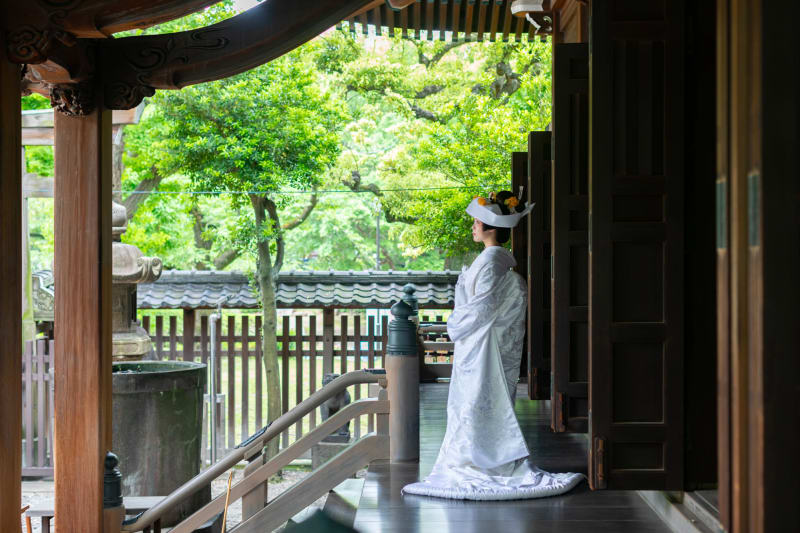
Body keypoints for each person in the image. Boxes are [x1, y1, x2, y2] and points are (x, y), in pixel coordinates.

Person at [402, 190, 584, 500]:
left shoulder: (490, 263)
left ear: (490, 227)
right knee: (474, 403)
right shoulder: (495, 261)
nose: (473, 226)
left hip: (480, 347)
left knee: (473, 403)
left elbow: (481, 308)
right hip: (482, 346)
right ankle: (483, 456)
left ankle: (481, 460)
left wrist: (453, 324)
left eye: (476, 222)